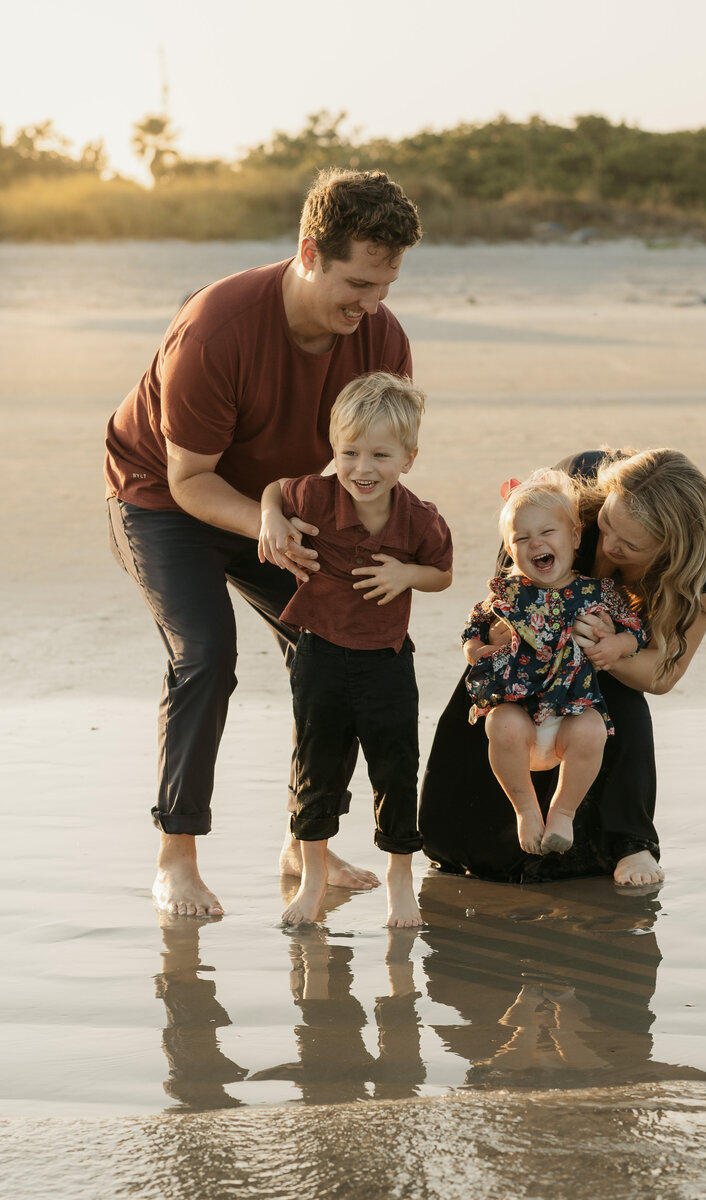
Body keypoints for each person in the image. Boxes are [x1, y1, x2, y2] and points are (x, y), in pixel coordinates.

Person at [104, 168, 422, 918]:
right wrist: (266, 524)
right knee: (206, 655)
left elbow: (370, 462)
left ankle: (303, 840)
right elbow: (190, 481)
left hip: (284, 499)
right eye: (356, 283)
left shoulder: (379, 337)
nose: (371, 305)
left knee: (349, 644)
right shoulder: (218, 327)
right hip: (164, 496)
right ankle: (175, 857)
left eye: (385, 285)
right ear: (309, 251)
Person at [420, 448, 706, 889]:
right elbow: (503, 602)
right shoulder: (559, 497)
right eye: (604, 527)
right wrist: (491, 639)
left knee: (604, 701)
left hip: (601, 656)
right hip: (527, 645)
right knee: (498, 709)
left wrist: (611, 647)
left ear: (669, 550)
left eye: (630, 546)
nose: (608, 547)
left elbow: (662, 673)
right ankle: (504, 828)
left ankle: (628, 839)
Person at [258, 372, 453, 927]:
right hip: (318, 657)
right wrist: (271, 518)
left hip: (387, 663)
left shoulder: (420, 518)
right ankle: (313, 876)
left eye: (380, 455)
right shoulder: (315, 496)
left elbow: (442, 574)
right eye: (348, 452)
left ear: (408, 458)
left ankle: (399, 878)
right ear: (333, 451)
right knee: (316, 768)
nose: (362, 468)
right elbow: (275, 489)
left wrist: (406, 573)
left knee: (395, 768)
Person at [462, 468, 647, 858]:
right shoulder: (508, 593)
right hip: (520, 715)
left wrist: (615, 644)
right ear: (510, 551)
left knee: (593, 730)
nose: (536, 544)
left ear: (575, 537)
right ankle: (526, 809)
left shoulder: (597, 592)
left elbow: (637, 630)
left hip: (572, 713)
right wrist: (475, 649)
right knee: (500, 722)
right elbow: (474, 625)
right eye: (522, 538)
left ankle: (562, 812)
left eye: (547, 533)